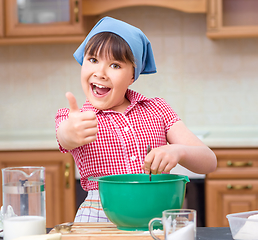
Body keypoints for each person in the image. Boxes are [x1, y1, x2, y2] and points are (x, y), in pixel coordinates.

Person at [55, 16, 217, 223]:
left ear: (133, 75)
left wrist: (179, 150)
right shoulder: (75, 118)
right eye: (93, 60)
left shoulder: (157, 109)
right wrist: (69, 132)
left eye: (115, 65)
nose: (100, 73)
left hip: (155, 217)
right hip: (98, 219)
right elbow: (65, 135)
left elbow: (209, 162)